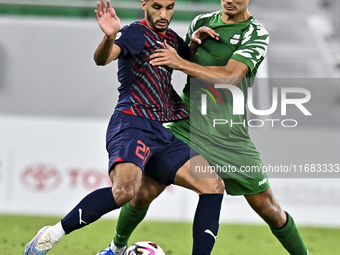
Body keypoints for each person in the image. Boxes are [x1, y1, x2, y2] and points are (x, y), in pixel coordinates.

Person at [102, 0, 310, 255]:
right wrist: (187, 48)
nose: (228, 0)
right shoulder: (201, 23)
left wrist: (180, 62)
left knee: (269, 209)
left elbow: (230, 77)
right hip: (186, 126)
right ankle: (115, 248)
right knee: (143, 191)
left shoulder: (255, 33)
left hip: (230, 136)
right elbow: (181, 58)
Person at [23, 0, 225, 255]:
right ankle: (50, 235)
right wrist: (109, 37)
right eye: (157, 6)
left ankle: (116, 250)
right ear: (144, 4)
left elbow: (185, 61)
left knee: (213, 184)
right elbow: (103, 58)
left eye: (170, 7)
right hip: (132, 124)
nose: (164, 14)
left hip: (161, 132)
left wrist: (194, 42)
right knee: (124, 192)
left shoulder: (172, 38)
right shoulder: (134, 33)